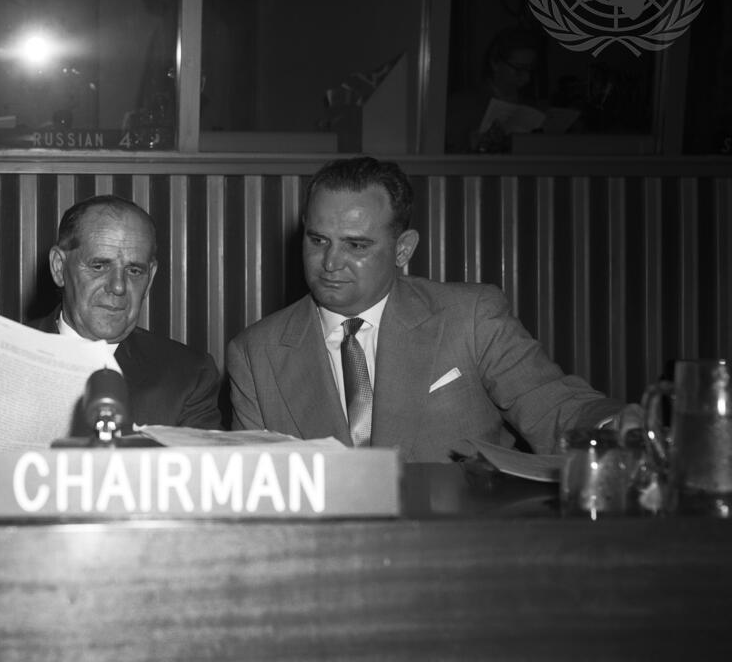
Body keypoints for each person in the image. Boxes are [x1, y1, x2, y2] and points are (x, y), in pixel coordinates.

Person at [226, 156, 639, 463]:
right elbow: (252, 487)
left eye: (356, 245)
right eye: (318, 240)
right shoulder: (255, 353)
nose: (331, 263)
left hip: (464, 542)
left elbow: (551, 404)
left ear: (403, 249)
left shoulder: (470, 317)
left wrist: (614, 428)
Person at [0, 194, 222, 445]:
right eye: (99, 266)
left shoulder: (188, 376)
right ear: (59, 267)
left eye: (134, 271)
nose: (118, 286)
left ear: (151, 277)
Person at [445, 26, 545, 153]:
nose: (527, 77)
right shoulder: (462, 105)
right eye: (519, 69)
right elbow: (444, 153)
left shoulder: (532, 108)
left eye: (531, 69)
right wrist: (470, 146)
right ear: (495, 63)